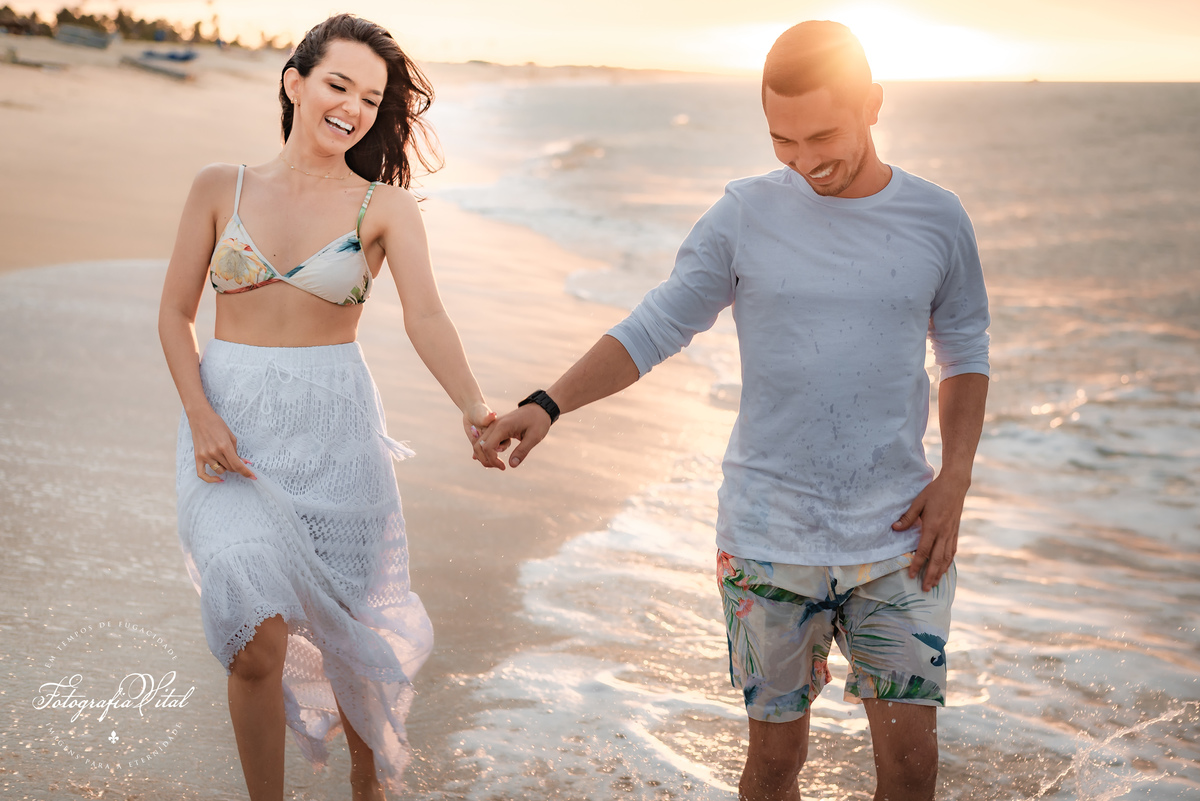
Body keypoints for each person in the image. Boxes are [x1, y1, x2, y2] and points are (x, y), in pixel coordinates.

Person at [474, 20, 990, 801]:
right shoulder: (745, 214)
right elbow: (656, 324)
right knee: (776, 767)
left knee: (913, 768)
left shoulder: (937, 217)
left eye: (824, 134)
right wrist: (548, 403)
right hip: (766, 537)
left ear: (874, 104)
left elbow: (965, 352)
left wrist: (956, 475)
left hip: (897, 536)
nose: (805, 160)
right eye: (783, 140)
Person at [158, 14, 494, 801]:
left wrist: (475, 405)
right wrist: (201, 414)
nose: (351, 107)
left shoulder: (385, 207)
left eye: (371, 99)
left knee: (353, 630)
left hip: (337, 436)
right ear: (295, 83)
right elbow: (174, 315)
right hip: (230, 434)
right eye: (338, 85)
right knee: (251, 630)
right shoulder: (219, 186)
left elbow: (427, 317)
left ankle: (367, 783)